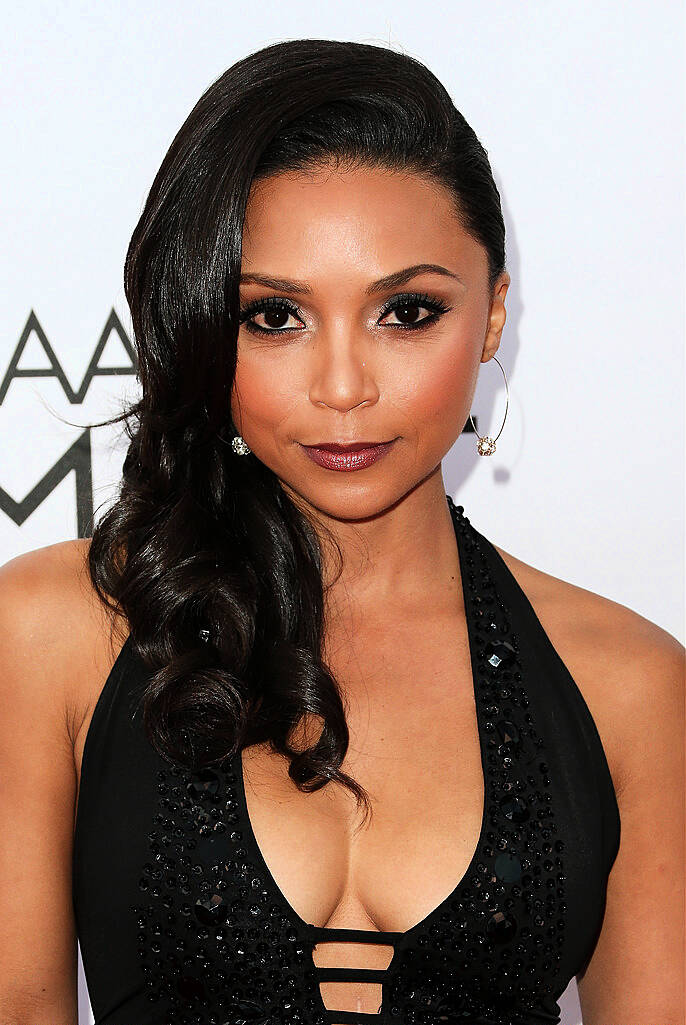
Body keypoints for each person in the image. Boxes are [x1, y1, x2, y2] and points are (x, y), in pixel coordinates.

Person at [0, 37, 683, 1025]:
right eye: (274, 316)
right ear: (202, 324)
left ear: (492, 314)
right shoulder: (52, 630)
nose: (343, 387)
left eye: (405, 311)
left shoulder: (627, 685)